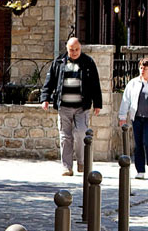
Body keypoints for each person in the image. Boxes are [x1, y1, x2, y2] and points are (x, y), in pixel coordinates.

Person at [41, 37, 103, 177]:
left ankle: (81, 162)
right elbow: (49, 82)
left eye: (77, 49)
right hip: (64, 106)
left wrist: (98, 103)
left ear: (80, 48)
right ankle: (66, 167)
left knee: (81, 133)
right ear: (67, 49)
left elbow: (95, 84)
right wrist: (45, 98)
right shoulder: (58, 62)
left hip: (82, 106)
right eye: (71, 50)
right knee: (65, 137)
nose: (74, 52)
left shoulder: (88, 62)